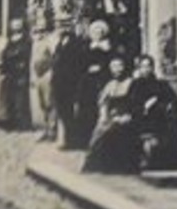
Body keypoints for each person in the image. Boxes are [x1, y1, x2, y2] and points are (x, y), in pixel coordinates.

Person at [128, 55, 177, 171]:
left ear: (152, 68)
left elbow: (172, 101)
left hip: (159, 119)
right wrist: (145, 107)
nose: (146, 69)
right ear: (139, 68)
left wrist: (159, 106)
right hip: (141, 119)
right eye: (143, 66)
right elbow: (131, 105)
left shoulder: (161, 84)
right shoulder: (135, 85)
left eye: (148, 66)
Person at [82, 55, 136, 173]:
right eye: (114, 67)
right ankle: (97, 165)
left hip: (126, 115)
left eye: (119, 66)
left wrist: (126, 116)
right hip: (111, 116)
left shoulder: (131, 83)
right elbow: (103, 102)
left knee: (112, 130)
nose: (117, 69)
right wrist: (103, 115)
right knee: (99, 131)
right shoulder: (110, 84)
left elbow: (134, 103)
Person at [72, 18, 113, 149]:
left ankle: (101, 140)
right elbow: (80, 63)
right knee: (87, 108)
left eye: (100, 31)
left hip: (102, 79)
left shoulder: (108, 47)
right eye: (95, 31)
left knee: (101, 107)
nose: (97, 33)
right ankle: (85, 139)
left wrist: (102, 68)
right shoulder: (86, 47)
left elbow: (112, 62)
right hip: (88, 81)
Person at [49, 17, 89, 149]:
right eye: (60, 25)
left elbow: (80, 64)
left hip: (71, 82)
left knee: (70, 112)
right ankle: (64, 138)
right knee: (62, 111)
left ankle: (73, 141)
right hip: (59, 82)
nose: (62, 28)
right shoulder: (59, 42)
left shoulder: (77, 43)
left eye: (65, 25)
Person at [0, 16, 33, 130]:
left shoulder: (26, 40)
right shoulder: (10, 40)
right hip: (10, 72)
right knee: (10, 98)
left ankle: (22, 124)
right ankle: (11, 122)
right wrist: (3, 70)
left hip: (21, 73)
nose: (16, 27)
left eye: (18, 25)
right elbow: (4, 55)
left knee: (21, 99)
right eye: (14, 25)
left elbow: (26, 55)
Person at [30, 24, 58, 140]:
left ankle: (52, 130)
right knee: (40, 103)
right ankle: (43, 129)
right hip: (37, 76)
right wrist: (32, 77)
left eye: (41, 31)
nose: (38, 34)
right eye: (36, 32)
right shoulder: (33, 45)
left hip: (47, 74)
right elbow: (31, 62)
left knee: (49, 102)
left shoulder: (49, 43)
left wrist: (51, 72)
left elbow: (54, 58)